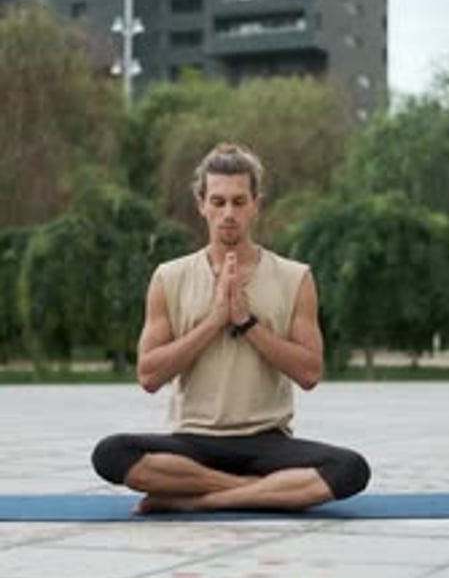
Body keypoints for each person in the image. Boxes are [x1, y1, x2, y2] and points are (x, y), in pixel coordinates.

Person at [91, 143, 370, 513]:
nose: (228, 213)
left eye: (239, 202)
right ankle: (261, 492)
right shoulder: (168, 277)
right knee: (112, 454)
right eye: (218, 201)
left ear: (257, 203)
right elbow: (149, 375)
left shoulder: (295, 277)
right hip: (193, 444)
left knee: (349, 470)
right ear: (201, 203)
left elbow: (310, 373)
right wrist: (216, 319)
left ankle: (195, 501)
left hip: (268, 442)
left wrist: (246, 322)